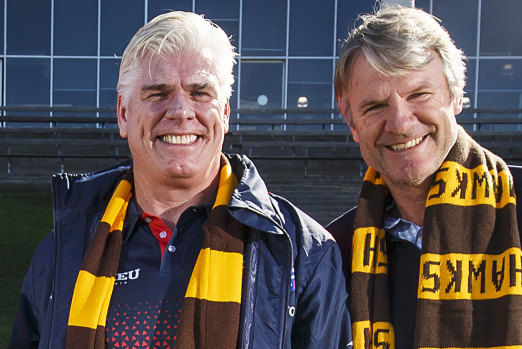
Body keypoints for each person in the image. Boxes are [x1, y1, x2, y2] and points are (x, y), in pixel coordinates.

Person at [9, 11, 351, 349]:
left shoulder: (303, 252)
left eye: (200, 93)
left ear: (226, 112)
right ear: (124, 114)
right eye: (157, 93)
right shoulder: (61, 251)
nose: (181, 111)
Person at [328, 6, 522, 349]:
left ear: (454, 96)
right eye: (374, 106)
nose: (400, 123)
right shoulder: (337, 251)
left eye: (418, 95)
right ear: (351, 122)